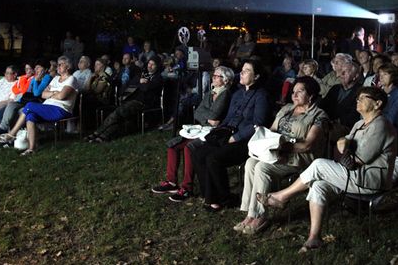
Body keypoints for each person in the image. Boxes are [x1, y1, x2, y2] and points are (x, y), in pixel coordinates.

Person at [258, 87, 396, 252]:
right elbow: (343, 143)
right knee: (318, 186)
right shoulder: (360, 123)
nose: (357, 100)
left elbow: (358, 159)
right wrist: (344, 143)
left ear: (377, 104)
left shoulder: (380, 126)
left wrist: (345, 148)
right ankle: (314, 238)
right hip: (353, 174)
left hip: (370, 179)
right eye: (357, 97)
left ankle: (282, 196)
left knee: (319, 165)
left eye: (362, 98)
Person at [235, 77, 329, 235]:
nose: (295, 95)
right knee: (251, 162)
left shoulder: (319, 116)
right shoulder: (286, 108)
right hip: (275, 151)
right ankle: (250, 214)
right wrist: (265, 138)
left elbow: (308, 145)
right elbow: (272, 129)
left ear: (311, 95)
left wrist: (283, 146)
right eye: (293, 92)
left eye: (300, 91)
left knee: (262, 168)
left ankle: (259, 216)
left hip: (298, 157)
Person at [190, 60, 269, 212]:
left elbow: (258, 124)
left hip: (245, 141)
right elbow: (228, 117)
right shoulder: (238, 94)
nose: (242, 73)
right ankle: (210, 196)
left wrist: (237, 137)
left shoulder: (261, 96)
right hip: (227, 133)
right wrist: (219, 130)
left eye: (246, 71)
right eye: (242, 70)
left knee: (213, 158)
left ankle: (225, 198)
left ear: (256, 76)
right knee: (198, 152)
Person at [152, 66, 234, 202]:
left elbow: (215, 114)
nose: (213, 77)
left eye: (217, 76)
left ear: (225, 80)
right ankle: (171, 182)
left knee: (188, 148)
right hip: (201, 128)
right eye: (214, 75)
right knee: (173, 146)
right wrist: (208, 119)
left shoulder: (225, 94)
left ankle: (186, 188)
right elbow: (198, 112)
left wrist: (208, 116)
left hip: (213, 133)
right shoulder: (211, 92)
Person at [0, 57, 78, 155]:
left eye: (61, 64)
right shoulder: (56, 78)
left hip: (61, 109)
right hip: (48, 107)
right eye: (58, 64)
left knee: (29, 105)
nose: (58, 66)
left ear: (68, 67)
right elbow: (43, 94)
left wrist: (51, 93)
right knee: (30, 116)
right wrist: (54, 92)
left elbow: (62, 96)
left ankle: (11, 134)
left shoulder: (71, 79)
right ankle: (31, 148)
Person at [85, 57, 163, 142]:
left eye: (153, 64)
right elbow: (129, 84)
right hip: (131, 101)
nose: (150, 66)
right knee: (118, 116)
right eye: (149, 63)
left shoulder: (158, 78)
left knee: (118, 113)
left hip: (143, 103)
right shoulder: (142, 75)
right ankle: (101, 135)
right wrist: (140, 82)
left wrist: (140, 83)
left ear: (157, 66)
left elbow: (146, 88)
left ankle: (99, 134)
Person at [319, 61, 362, 142]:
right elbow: (322, 105)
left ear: (355, 76)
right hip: (327, 123)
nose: (341, 74)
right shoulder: (335, 88)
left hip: (347, 128)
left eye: (346, 72)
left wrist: (334, 122)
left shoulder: (360, 92)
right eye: (341, 71)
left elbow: (354, 116)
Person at [0, 63, 35, 134]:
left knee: (12, 107)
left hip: (24, 101)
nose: (28, 71)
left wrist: (20, 89)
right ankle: (8, 133)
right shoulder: (23, 78)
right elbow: (14, 89)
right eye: (26, 69)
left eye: (29, 69)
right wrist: (21, 88)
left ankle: (2, 131)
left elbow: (24, 90)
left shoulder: (33, 79)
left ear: (33, 70)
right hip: (18, 100)